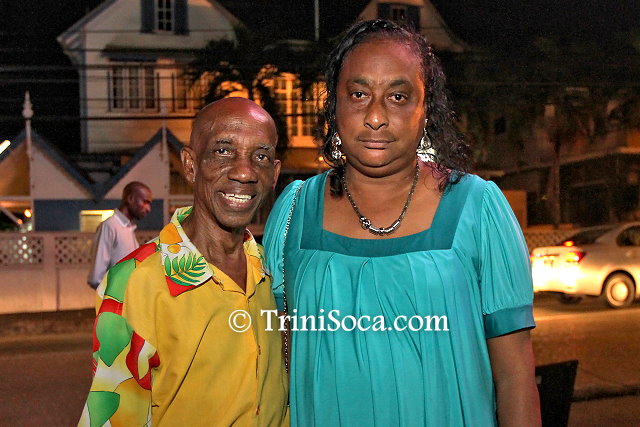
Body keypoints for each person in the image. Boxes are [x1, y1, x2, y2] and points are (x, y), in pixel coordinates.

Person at [264, 20, 541, 426]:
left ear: (425, 109)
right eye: (358, 94)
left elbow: (515, 376)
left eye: (397, 96)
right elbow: (273, 365)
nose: (376, 116)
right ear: (334, 105)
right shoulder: (293, 212)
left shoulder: (478, 208)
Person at [79, 98, 288, 426]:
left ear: (274, 174)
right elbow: (116, 417)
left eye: (260, 156)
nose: (245, 172)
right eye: (223, 151)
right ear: (190, 165)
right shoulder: (136, 282)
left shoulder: (272, 270)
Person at [87, 181, 152, 289]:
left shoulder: (128, 229)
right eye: (145, 202)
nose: (148, 209)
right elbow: (96, 278)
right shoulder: (110, 226)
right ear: (130, 199)